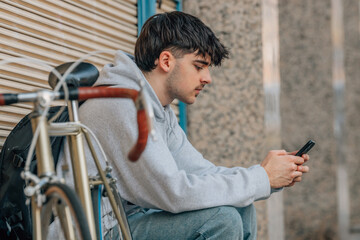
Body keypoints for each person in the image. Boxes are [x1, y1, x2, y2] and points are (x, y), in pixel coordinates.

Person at [63, 11, 310, 239]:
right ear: (166, 61)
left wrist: (267, 176)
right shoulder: (122, 105)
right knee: (220, 220)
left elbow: (200, 172)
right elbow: (173, 192)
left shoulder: (157, 109)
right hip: (96, 230)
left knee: (242, 207)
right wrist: (261, 177)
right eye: (199, 66)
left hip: (130, 218)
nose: (207, 78)